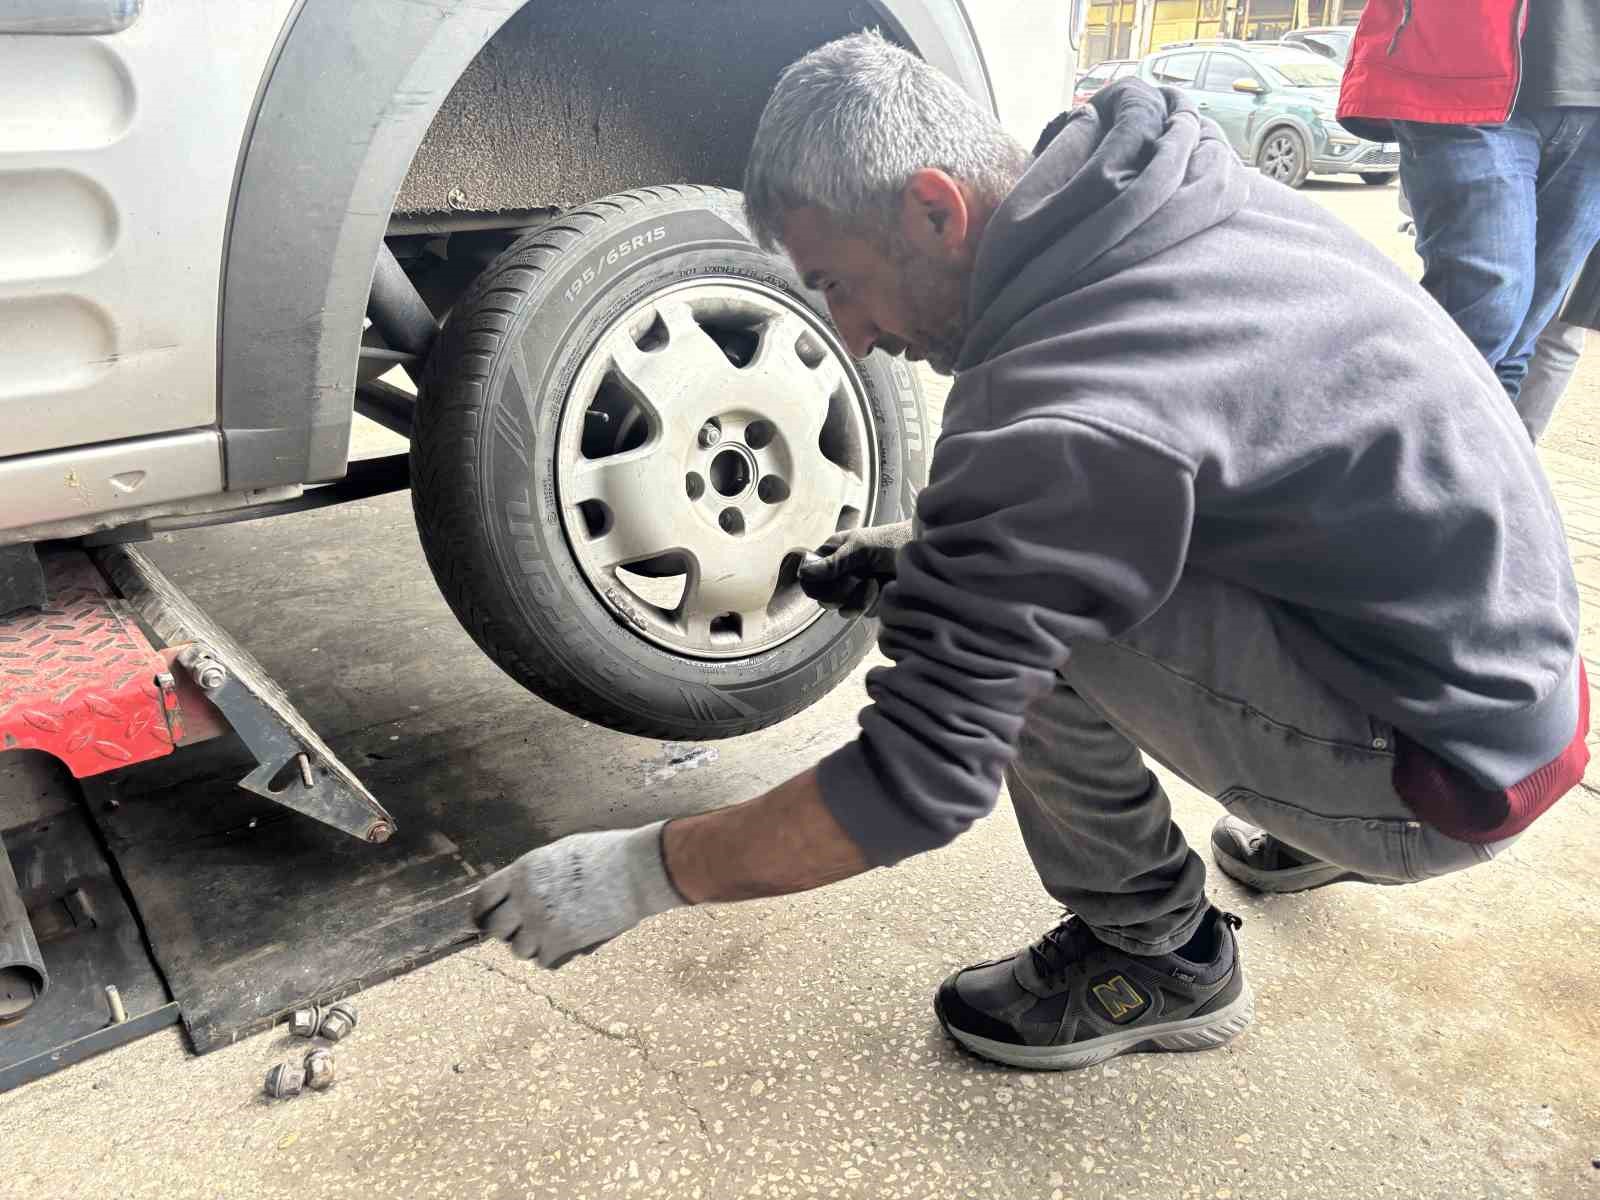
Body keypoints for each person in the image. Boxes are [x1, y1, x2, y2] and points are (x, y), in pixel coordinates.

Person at [472, 35, 1588, 1072]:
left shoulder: (1050, 413)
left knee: (1016, 637)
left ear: (931, 210)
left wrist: (635, 873)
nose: (849, 335)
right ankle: (1319, 804)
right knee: (998, 587)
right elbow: (1170, 466)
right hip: (1499, 675)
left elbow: (912, 784)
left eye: (837, 286)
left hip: (1441, 781)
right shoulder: (1164, 190)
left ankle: (1161, 955)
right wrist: (933, 551)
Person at [1339, 0, 1600, 429]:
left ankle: (1470, 488)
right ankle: (1367, 472)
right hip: (1460, 68)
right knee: (1487, 309)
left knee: (1520, 341)